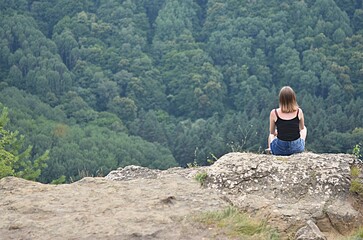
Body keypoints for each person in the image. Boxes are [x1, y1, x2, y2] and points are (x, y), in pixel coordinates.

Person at [266, 86, 307, 155]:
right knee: (304, 129)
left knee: (271, 134)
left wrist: (277, 132)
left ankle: (270, 149)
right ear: (293, 98)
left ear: (280, 99)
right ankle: (300, 145)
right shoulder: (299, 111)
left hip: (279, 149)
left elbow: (272, 132)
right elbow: (301, 128)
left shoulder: (274, 113)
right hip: (297, 148)